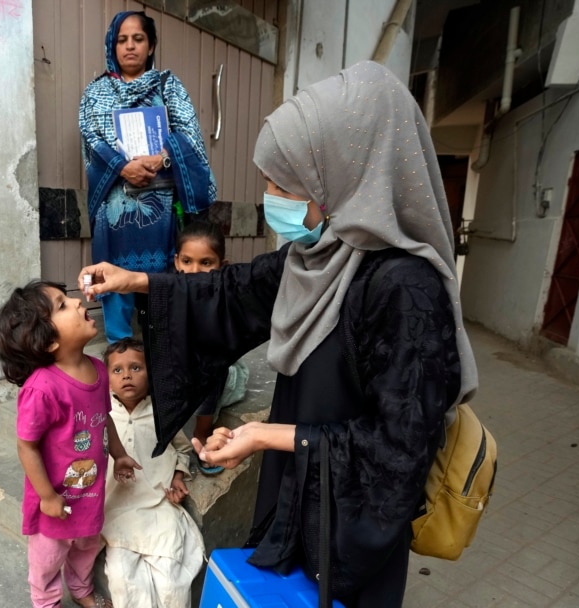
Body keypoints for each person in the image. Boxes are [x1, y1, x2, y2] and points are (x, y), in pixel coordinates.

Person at [77, 61, 478, 607]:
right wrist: (137, 279)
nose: (271, 196)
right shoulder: (315, 256)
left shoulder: (407, 289)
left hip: (351, 521)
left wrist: (266, 436)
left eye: (285, 182)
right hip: (299, 486)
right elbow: (233, 290)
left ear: (342, 174)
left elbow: (398, 448)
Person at [0, 280, 142, 608]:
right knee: (47, 560)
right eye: (62, 305)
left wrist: (119, 455)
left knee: (86, 547)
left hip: (90, 493)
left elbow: (104, 420)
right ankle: (46, 601)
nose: (76, 303)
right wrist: (47, 497)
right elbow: (26, 446)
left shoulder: (100, 371)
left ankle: (81, 588)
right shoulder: (41, 390)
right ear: (46, 341)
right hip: (54, 502)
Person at [78, 10, 216, 343]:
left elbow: (190, 136)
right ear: (112, 45)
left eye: (138, 39)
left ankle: (163, 349)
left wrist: (162, 157)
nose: (130, 47)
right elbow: (91, 138)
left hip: (162, 207)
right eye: (122, 40)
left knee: (164, 281)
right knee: (113, 277)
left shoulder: (169, 86)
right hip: (116, 210)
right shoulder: (96, 93)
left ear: (151, 45)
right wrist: (123, 167)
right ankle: (121, 350)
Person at [100, 338, 204, 608]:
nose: (126, 376)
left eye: (136, 368)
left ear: (151, 373)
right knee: (123, 580)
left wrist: (178, 476)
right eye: (117, 370)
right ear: (107, 378)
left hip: (158, 506)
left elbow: (182, 449)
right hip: (117, 509)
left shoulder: (162, 415)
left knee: (171, 581)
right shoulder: (102, 414)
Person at [172, 221, 250, 475]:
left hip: (219, 378)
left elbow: (223, 350)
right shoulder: (171, 293)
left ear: (222, 266)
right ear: (176, 262)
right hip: (183, 374)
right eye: (187, 261)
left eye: (206, 263)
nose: (194, 271)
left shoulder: (225, 301)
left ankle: (203, 430)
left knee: (210, 364)